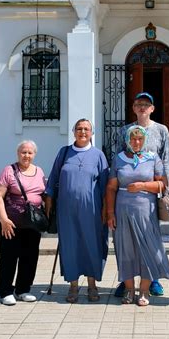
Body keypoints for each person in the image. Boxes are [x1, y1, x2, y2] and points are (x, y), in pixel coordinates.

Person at [114, 91, 169, 297]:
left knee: (150, 238)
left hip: (150, 194)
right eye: (138, 103)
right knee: (126, 241)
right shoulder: (124, 131)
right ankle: (126, 280)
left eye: (146, 104)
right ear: (133, 108)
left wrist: (167, 191)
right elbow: (118, 158)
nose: (142, 107)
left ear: (152, 108)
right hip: (126, 195)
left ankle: (153, 279)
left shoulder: (161, 130)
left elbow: (166, 159)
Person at [44, 119, 109, 303]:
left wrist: (106, 209)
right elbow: (53, 178)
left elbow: (105, 185)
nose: (82, 132)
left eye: (86, 129)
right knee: (70, 245)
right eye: (79, 129)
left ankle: (92, 285)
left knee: (92, 244)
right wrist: (48, 200)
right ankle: (73, 286)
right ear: (74, 132)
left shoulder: (98, 155)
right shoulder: (64, 153)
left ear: (92, 133)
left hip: (92, 210)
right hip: (66, 210)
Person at [0, 140, 46, 305]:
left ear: (34, 155)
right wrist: (3, 219)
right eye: (23, 152)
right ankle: (6, 291)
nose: (26, 155)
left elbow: (44, 195)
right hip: (11, 222)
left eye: (30, 153)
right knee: (9, 257)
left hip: (32, 223)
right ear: (18, 153)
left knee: (30, 257)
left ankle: (23, 289)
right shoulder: (9, 171)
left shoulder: (39, 171)